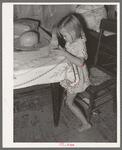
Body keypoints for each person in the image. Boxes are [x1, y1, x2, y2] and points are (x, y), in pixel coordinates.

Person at [50, 14, 92, 132]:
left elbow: (80, 63)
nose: (63, 38)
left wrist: (65, 54)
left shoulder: (80, 44)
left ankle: (86, 124)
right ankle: (70, 96)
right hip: (71, 73)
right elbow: (55, 27)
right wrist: (54, 35)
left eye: (65, 35)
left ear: (73, 32)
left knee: (70, 102)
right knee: (65, 88)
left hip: (77, 77)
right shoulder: (75, 35)